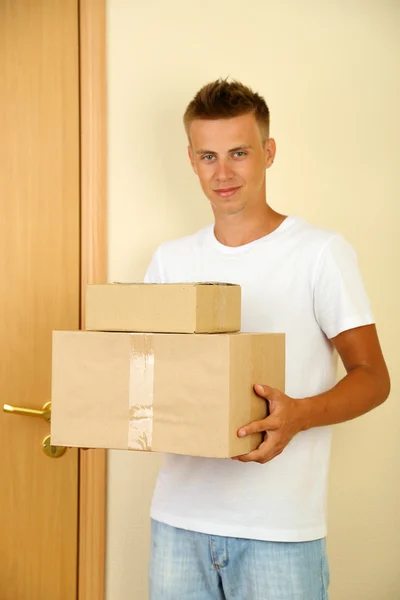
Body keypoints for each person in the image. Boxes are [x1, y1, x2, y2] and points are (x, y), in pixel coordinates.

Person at [144, 78, 390, 600]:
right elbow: (146, 370)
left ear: (268, 152)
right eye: (208, 156)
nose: (223, 172)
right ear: (191, 161)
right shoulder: (170, 260)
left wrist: (298, 414)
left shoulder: (320, 252)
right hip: (177, 522)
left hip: (279, 530)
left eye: (239, 152)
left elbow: (374, 379)